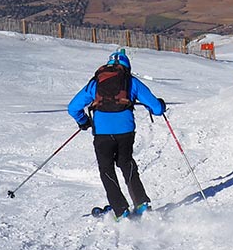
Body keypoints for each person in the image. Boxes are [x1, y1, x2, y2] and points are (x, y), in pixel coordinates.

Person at [67, 49, 165, 220]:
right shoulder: (131, 81)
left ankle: (121, 210)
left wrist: (83, 121)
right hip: (125, 131)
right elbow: (156, 108)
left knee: (106, 169)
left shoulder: (95, 83)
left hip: (102, 133)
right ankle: (141, 203)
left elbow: (73, 107)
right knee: (126, 163)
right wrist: (161, 106)